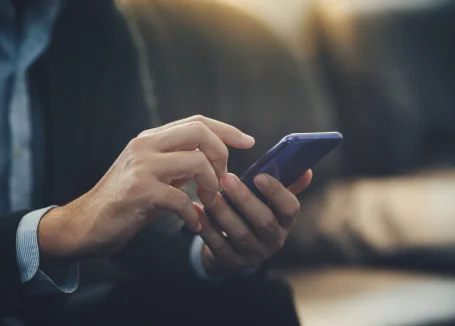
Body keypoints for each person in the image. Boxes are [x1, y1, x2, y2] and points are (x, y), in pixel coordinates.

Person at [0, 0, 312, 325]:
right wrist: (58, 230)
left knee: (257, 303)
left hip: (48, 309)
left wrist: (212, 249)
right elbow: (88, 218)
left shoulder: (94, 19)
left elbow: (130, 217)